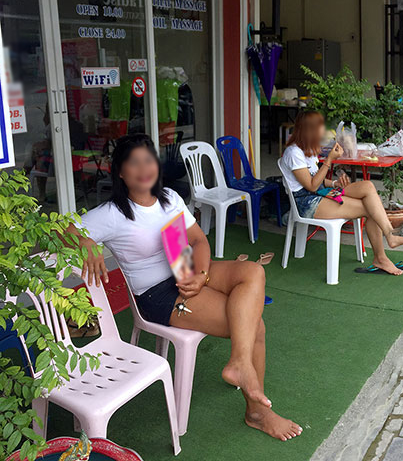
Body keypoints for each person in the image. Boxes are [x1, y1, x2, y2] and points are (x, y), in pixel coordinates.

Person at [68, 134, 301, 441]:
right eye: (133, 162)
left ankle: (240, 362)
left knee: (253, 271)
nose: (143, 167)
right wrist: (87, 244)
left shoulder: (168, 198)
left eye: (148, 159)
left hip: (186, 269)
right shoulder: (113, 213)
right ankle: (255, 410)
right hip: (158, 294)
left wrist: (201, 274)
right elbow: (64, 229)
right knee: (254, 328)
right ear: (121, 172)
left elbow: (197, 240)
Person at [281, 111, 403, 275]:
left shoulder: (308, 150)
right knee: (370, 208)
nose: (323, 132)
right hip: (307, 202)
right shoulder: (293, 153)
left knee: (368, 187)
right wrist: (329, 160)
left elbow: (316, 180)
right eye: (320, 128)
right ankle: (384, 249)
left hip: (321, 192)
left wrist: (335, 183)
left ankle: (388, 241)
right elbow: (311, 186)